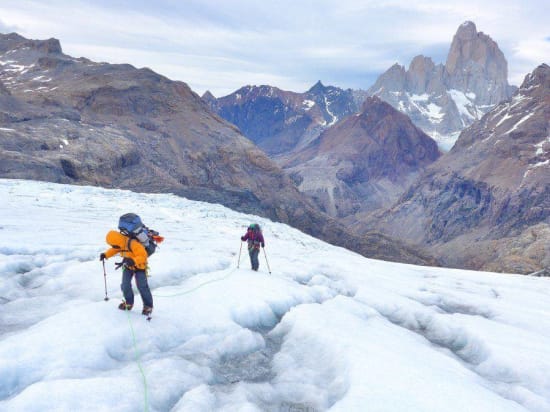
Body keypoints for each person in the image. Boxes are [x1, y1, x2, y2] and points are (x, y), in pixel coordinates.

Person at [100, 229, 153, 316]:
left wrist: (133, 260)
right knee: (125, 285)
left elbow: (143, 256)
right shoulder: (120, 244)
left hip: (140, 266)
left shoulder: (132, 243)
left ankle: (148, 306)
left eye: (114, 244)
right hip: (127, 266)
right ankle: (128, 303)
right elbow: (114, 249)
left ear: (117, 241)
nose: (114, 246)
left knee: (142, 286)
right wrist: (105, 255)